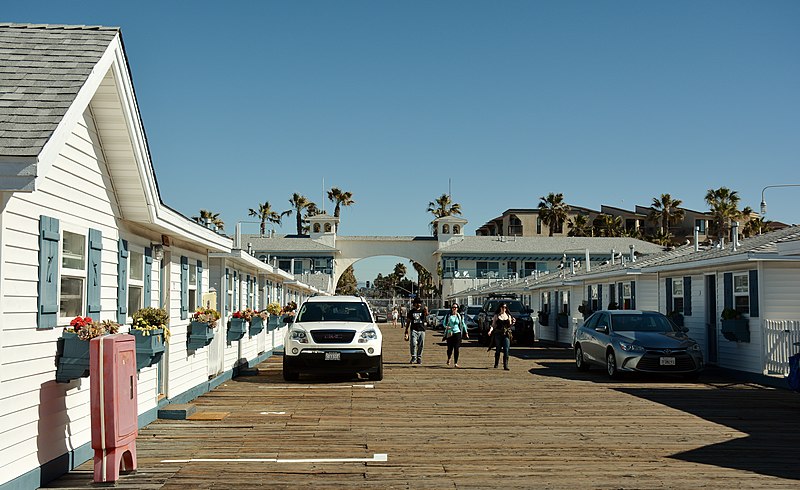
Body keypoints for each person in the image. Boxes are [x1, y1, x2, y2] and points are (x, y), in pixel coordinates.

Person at [488, 302, 514, 370]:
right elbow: (493, 325)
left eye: (505, 307)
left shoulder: (508, 316)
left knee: (506, 349)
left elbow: (510, 325)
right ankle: (496, 363)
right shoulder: (497, 316)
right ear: (500, 308)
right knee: (498, 349)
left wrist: (513, 322)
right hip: (498, 334)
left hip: (506, 334)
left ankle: (505, 365)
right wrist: (490, 331)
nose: (504, 309)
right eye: (503, 307)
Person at [442, 303, 468, 367]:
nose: (454, 309)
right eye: (453, 307)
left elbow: (463, 324)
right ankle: (449, 358)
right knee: (450, 349)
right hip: (450, 333)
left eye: (455, 307)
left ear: (457, 309)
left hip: (457, 333)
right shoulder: (448, 316)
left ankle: (456, 363)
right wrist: (446, 327)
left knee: (456, 348)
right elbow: (443, 323)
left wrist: (466, 332)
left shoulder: (459, 316)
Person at [404, 297, 428, 364]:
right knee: (413, 344)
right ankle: (413, 357)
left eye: (419, 303)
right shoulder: (411, 312)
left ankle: (419, 357)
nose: (418, 304)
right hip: (414, 330)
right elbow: (408, 321)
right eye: (417, 303)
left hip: (422, 330)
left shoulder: (423, 311)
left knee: (421, 345)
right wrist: (406, 330)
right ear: (414, 304)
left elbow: (426, 316)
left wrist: (426, 310)